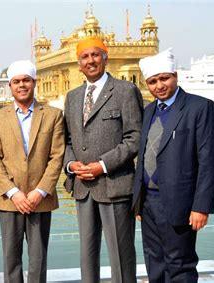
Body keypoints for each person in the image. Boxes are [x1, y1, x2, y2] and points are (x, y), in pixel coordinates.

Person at [63, 38, 143, 282]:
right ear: (78, 64)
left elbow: (135, 138)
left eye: (95, 55)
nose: (91, 61)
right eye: (85, 57)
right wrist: (71, 164)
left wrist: (102, 165)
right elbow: (67, 140)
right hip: (83, 187)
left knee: (121, 253)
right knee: (87, 254)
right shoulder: (73, 96)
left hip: (115, 185)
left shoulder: (125, 91)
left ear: (105, 58)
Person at [133, 48, 214, 282]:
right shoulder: (148, 111)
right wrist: (139, 202)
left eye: (163, 78)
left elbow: (208, 161)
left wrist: (201, 206)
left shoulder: (200, 108)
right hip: (149, 202)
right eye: (152, 81)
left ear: (175, 76)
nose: (159, 85)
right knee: (154, 261)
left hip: (181, 201)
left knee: (180, 264)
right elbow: (145, 155)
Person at [0, 60, 64, 283]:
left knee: (38, 257)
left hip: (40, 198)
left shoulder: (52, 115)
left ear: (34, 83)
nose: (21, 85)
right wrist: (13, 192)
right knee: (11, 256)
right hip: (10, 198)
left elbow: (57, 156)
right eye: (16, 81)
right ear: (10, 86)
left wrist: (40, 191)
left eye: (26, 81)